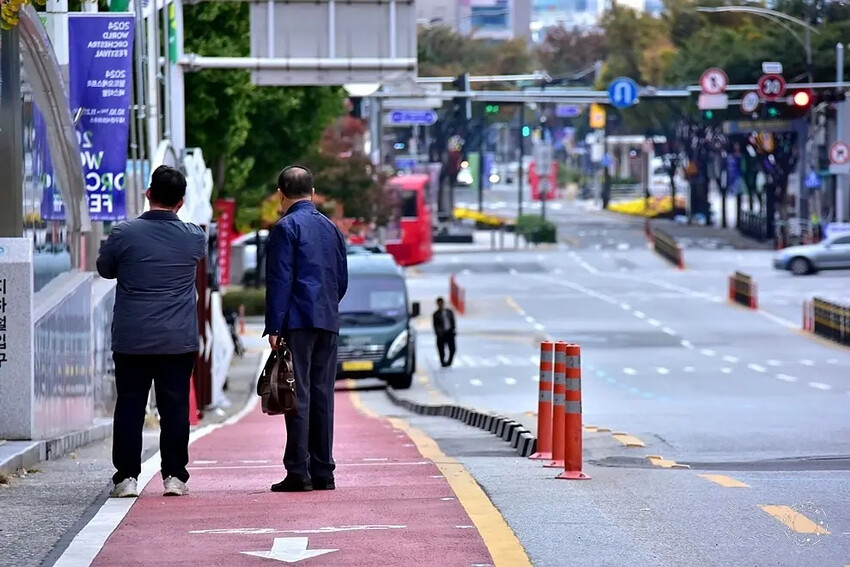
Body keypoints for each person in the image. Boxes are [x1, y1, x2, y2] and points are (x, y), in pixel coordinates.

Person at [96, 165, 206, 498]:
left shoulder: (124, 234)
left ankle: (126, 477)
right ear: (181, 201)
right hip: (177, 338)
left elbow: (105, 268)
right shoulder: (193, 237)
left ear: (148, 194)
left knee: (130, 405)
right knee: (175, 408)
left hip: (133, 337)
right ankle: (174, 476)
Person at [264, 165, 348, 493]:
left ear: (281, 195)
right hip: (327, 318)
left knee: (296, 394)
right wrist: (327, 303)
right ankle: (324, 470)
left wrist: (275, 325)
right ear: (312, 193)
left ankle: (298, 471)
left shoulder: (285, 228)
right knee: (323, 394)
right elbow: (341, 279)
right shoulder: (331, 228)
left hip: (298, 321)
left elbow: (280, 280)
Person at [432, 297, 456, 367]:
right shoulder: (436, 314)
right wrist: (438, 333)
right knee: (441, 349)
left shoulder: (449, 312)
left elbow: (453, 321)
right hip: (441, 334)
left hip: (449, 332)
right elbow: (435, 325)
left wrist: (453, 329)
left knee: (452, 349)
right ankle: (442, 362)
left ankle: (449, 362)